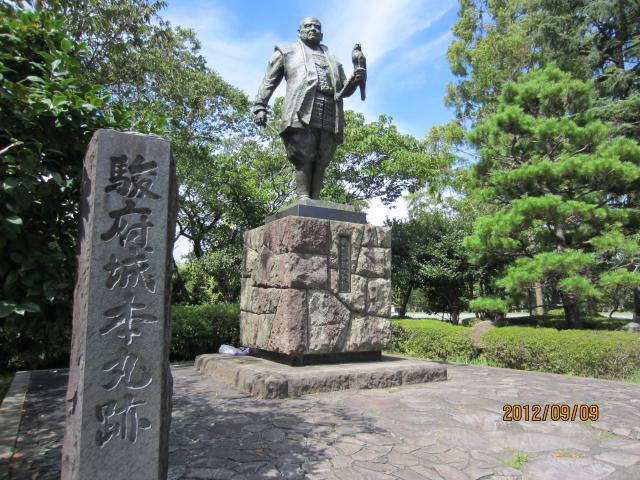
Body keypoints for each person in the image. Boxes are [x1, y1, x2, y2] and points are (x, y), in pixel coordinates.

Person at [253, 17, 365, 199]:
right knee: (303, 155)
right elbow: (269, 81)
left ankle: (316, 200)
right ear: (300, 31)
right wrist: (260, 106)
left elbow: (344, 90)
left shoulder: (334, 60)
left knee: (323, 157)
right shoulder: (286, 51)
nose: (313, 29)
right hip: (301, 108)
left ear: (322, 33)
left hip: (330, 108)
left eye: (317, 27)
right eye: (308, 26)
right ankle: (304, 198)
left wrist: (356, 80)